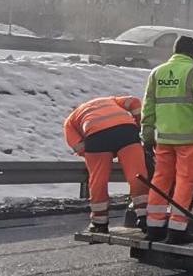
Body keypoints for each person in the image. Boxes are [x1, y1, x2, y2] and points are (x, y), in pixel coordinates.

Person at [141, 35, 193, 243]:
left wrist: (147, 135)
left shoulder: (157, 73)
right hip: (190, 140)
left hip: (164, 139)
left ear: (174, 51)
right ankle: (177, 229)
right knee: (185, 181)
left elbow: (147, 108)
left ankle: (154, 227)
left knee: (160, 179)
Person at [63, 94, 150, 233]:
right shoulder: (110, 100)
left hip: (96, 135)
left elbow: (78, 147)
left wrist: (96, 154)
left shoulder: (70, 120)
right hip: (127, 130)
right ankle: (144, 216)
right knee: (137, 174)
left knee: (98, 180)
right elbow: (133, 101)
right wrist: (138, 124)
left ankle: (99, 223)